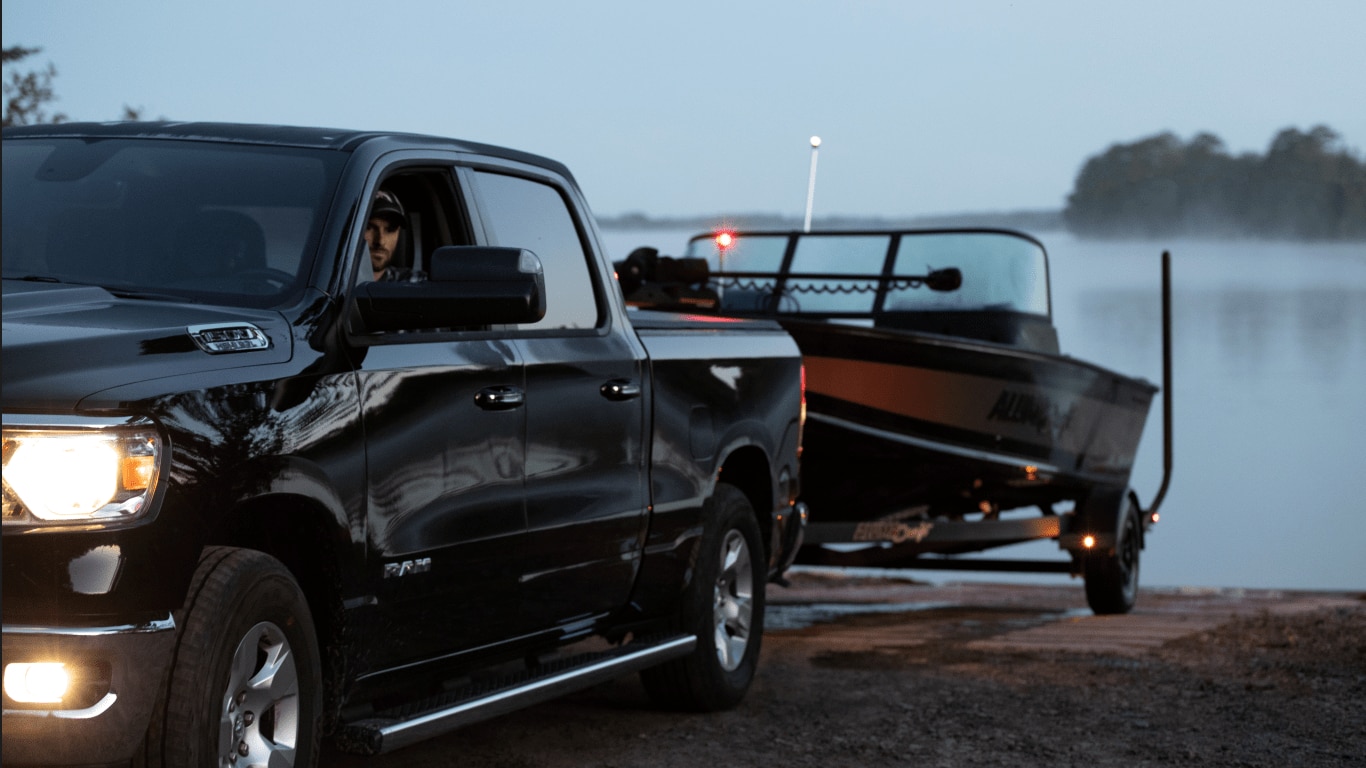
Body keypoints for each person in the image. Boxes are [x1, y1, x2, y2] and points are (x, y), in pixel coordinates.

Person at [364, 189, 417, 281]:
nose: (380, 241)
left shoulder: (413, 285)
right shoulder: (334, 284)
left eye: (390, 230)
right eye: (369, 228)